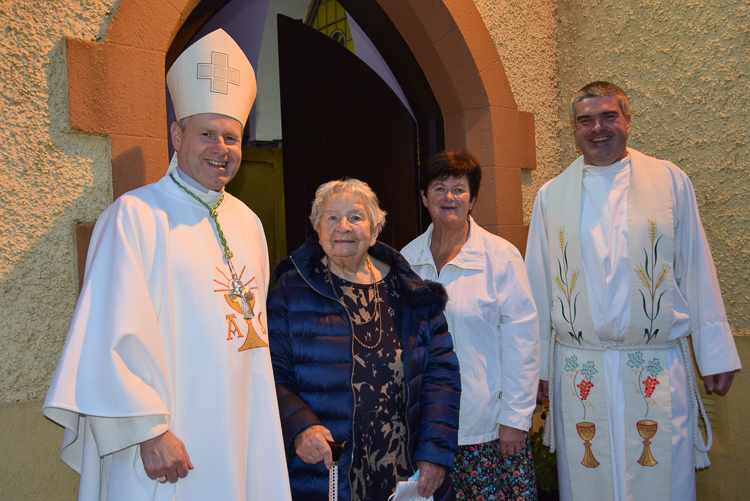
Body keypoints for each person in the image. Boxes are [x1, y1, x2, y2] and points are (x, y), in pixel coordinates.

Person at [42, 29, 291, 500]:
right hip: (167, 443)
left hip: (242, 428)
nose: (221, 148)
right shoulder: (133, 217)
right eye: (207, 134)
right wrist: (149, 431)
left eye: (232, 138)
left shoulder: (248, 222)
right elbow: (107, 335)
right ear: (177, 135)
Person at [525, 81, 741, 501]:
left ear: (628, 119)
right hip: (579, 367)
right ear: (574, 128)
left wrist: (714, 350)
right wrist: (539, 368)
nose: (598, 128)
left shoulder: (669, 182)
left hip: (654, 365)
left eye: (608, 116)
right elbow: (536, 283)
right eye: (585, 121)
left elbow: (696, 267)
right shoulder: (552, 195)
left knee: (661, 478)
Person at [268, 178, 461, 501]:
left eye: (356, 217)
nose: (343, 226)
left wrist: (435, 453)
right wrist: (300, 428)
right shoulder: (290, 290)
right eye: (331, 217)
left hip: (405, 469)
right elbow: (271, 372)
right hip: (327, 469)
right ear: (317, 228)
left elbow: (441, 378)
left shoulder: (411, 294)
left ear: (374, 230)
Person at [401, 150, 541, 499]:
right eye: (439, 187)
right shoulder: (406, 261)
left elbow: (523, 342)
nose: (449, 197)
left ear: (473, 199)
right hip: (428, 432)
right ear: (424, 197)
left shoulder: (500, 256)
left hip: (488, 428)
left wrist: (515, 419)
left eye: (459, 189)